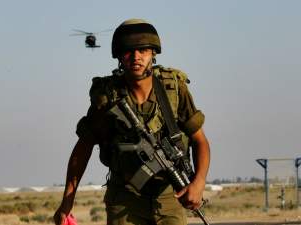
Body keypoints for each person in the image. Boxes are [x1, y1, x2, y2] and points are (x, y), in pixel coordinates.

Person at [54, 18, 210, 225]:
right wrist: (67, 201)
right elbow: (83, 148)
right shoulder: (107, 96)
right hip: (125, 199)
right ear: (119, 56)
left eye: (143, 50)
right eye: (128, 51)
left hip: (170, 197)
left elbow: (200, 140)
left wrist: (198, 182)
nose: (136, 57)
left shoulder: (173, 89)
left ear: (153, 53)